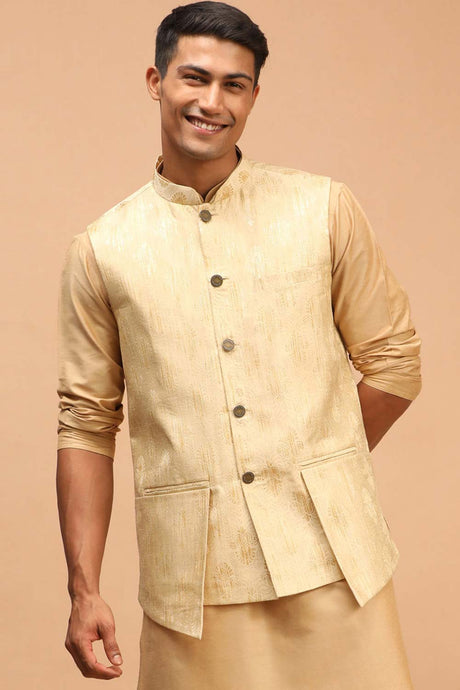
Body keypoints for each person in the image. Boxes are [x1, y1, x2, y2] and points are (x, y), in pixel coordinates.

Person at [56, 2, 422, 688]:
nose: (212, 102)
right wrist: (85, 590)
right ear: (156, 81)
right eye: (194, 78)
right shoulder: (104, 249)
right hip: (192, 583)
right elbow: (85, 423)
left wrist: (322, 467)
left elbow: (395, 362)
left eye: (235, 85)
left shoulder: (322, 208)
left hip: (337, 564)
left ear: (254, 96)